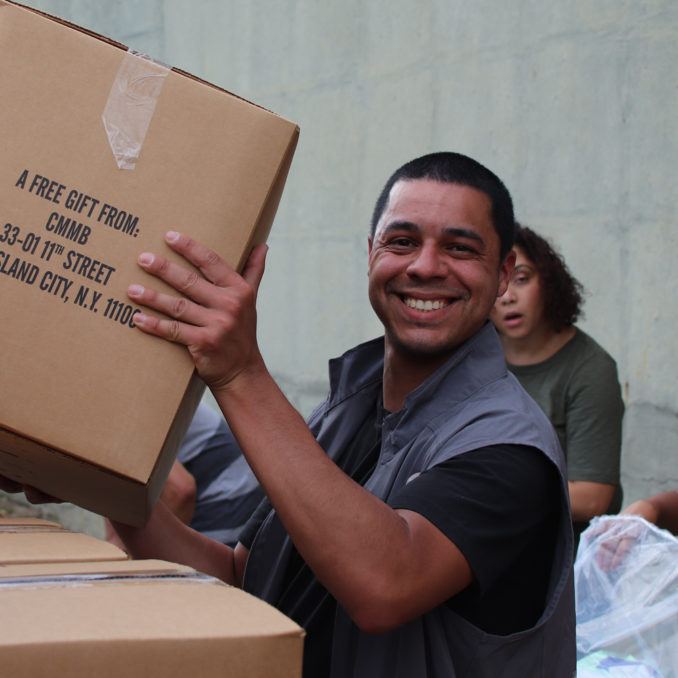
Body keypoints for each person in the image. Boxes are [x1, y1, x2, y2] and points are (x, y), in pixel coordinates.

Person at [2, 152, 575, 677]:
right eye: (402, 241)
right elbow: (236, 581)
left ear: (502, 276)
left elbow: (385, 583)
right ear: (371, 254)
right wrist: (110, 487)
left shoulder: (510, 448)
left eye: (460, 248)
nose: (425, 267)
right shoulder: (342, 413)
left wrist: (238, 373)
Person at [490, 224, 624, 547]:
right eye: (497, 284)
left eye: (521, 279)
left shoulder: (590, 369)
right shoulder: (473, 356)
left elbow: (593, 496)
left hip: (559, 557)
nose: (508, 297)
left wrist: (485, 493)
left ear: (548, 282)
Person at [105, 402, 264, 549]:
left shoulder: (113, 407)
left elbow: (179, 492)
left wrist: (126, 554)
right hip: (218, 489)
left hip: (226, 501)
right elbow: (113, 482)